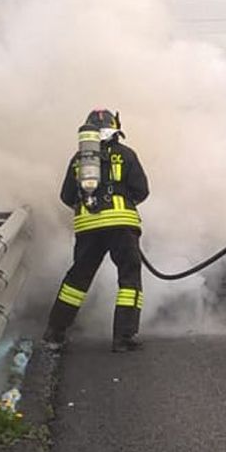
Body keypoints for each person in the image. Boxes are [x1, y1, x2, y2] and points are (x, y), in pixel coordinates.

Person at [43, 108, 149, 352]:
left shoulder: (79, 159)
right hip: (122, 225)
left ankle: (54, 333)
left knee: (77, 280)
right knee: (129, 278)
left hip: (88, 227)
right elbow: (141, 190)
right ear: (115, 128)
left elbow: (67, 195)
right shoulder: (126, 154)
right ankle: (123, 338)